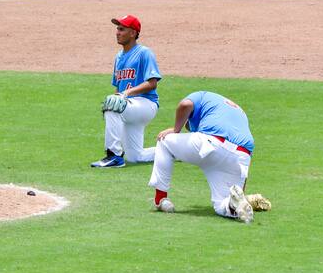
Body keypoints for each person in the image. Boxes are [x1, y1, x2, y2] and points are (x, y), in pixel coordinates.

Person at [148, 91, 256, 223]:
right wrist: (242, 195)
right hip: (240, 156)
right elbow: (246, 163)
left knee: (164, 141)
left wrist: (176, 129)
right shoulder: (240, 112)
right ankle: (233, 205)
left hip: (211, 144)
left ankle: (160, 199)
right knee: (221, 205)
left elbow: (185, 104)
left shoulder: (202, 95)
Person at [91, 15, 162, 168]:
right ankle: (176, 149)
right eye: (117, 28)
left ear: (133, 33)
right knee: (135, 157)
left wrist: (124, 95)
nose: (117, 32)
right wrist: (120, 97)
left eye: (122, 29)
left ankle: (114, 156)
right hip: (129, 106)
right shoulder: (118, 57)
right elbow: (118, 88)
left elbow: (152, 83)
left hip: (146, 104)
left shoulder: (144, 53)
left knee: (112, 102)